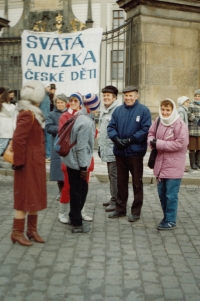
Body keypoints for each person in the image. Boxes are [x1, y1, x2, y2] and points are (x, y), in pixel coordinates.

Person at [11, 80, 47, 246]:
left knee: (34, 196)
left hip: (35, 163)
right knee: (24, 198)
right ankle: (17, 233)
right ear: (37, 99)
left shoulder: (34, 113)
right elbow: (18, 139)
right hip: (26, 164)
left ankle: (31, 230)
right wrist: (18, 162)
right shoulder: (28, 113)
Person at [107, 86, 151, 222]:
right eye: (126, 96)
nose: (128, 98)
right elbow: (111, 127)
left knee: (137, 183)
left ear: (136, 96)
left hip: (135, 153)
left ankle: (136, 212)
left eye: (130, 95)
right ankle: (120, 209)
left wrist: (130, 139)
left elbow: (145, 129)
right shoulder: (118, 110)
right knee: (121, 182)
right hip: (120, 152)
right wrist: (116, 139)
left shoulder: (144, 110)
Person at [62, 93, 100, 233]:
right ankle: (77, 223)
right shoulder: (86, 122)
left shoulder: (79, 116)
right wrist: (84, 167)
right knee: (79, 192)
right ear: (92, 107)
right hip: (77, 163)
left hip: (72, 161)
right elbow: (81, 147)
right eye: (96, 106)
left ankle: (74, 217)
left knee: (78, 191)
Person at [148, 98, 189, 230]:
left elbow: (181, 143)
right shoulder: (158, 120)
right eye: (163, 109)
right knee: (161, 193)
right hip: (160, 164)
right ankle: (166, 216)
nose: (165, 112)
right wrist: (151, 141)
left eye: (168, 110)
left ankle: (171, 220)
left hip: (174, 164)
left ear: (173, 110)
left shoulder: (179, 124)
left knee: (171, 195)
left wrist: (158, 143)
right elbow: (150, 133)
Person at [45, 93, 68, 222]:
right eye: (58, 102)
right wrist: (61, 128)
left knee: (67, 169)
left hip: (68, 145)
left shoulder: (70, 113)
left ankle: (66, 191)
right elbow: (48, 127)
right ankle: (61, 192)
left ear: (66, 103)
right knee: (59, 171)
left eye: (62, 102)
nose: (60, 104)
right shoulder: (51, 115)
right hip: (57, 146)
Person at [98, 85, 119, 212]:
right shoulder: (104, 109)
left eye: (108, 95)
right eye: (104, 95)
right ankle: (113, 197)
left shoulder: (117, 110)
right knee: (111, 175)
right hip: (106, 149)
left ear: (114, 97)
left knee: (115, 175)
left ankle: (116, 201)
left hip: (114, 149)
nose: (106, 97)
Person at [0, 89, 16, 156]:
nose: (12, 97)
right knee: (2, 146)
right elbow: (10, 111)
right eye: (11, 95)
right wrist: (13, 105)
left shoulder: (6, 104)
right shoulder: (4, 104)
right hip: (5, 127)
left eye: (13, 95)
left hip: (6, 127)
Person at [187, 89, 200, 170]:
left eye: (199, 96)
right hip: (193, 129)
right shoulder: (191, 104)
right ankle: (193, 164)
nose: (197, 97)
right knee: (192, 147)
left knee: (199, 147)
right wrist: (196, 120)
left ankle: (198, 162)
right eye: (196, 96)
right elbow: (188, 113)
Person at [177, 96, 190, 172]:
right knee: (182, 151)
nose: (188, 104)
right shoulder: (181, 110)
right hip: (182, 134)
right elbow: (180, 123)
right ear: (182, 103)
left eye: (188, 102)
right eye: (186, 102)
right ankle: (181, 166)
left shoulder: (184, 110)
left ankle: (182, 165)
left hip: (184, 133)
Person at [39, 86, 51, 162]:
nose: (49, 88)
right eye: (48, 87)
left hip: (44, 119)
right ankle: (47, 155)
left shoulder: (46, 96)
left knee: (46, 137)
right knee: (46, 137)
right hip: (43, 119)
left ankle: (46, 155)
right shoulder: (44, 97)